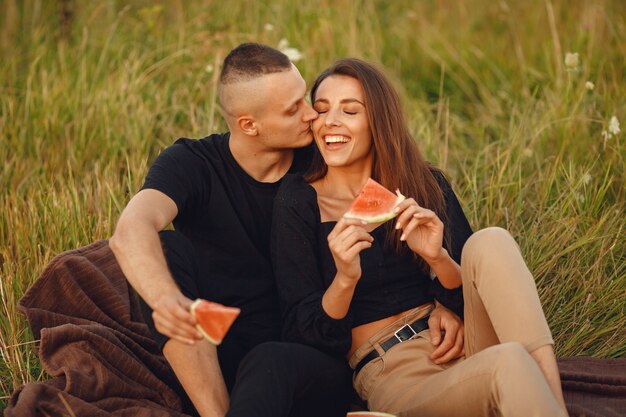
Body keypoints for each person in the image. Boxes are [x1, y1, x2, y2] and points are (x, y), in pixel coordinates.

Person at [271, 58, 569, 417]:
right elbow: (304, 333)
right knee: (509, 360)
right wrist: (345, 279)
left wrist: (437, 260)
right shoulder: (297, 201)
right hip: (394, 369)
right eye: (321, 109)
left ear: (377, 121)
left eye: (349, 110)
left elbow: (472, 293)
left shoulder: (424, 184)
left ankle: (555, 402)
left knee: (491, 241)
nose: (330, 120)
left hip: (463, 344)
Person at [109, 43, 362, 417]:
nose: (311, 115)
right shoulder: (192, 163)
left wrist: (443, 301)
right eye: (293, 109)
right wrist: (164, 299)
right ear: (249, 124)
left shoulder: (321, 160)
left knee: (270, 362)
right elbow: (130, 229)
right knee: (164, 247)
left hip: (308, 357)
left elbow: (399, 184)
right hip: (218, 352)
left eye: (304, 99)